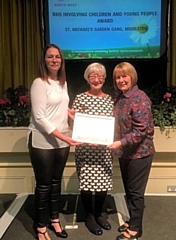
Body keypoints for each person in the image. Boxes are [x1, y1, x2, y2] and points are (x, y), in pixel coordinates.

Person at [27, 44, 80, 240]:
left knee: (56, 182)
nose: (54, 60)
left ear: (62, 60)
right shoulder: (39, 83)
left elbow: (57, 107)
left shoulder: (62, 83)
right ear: (44, 60)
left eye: (57, 57)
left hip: (61, 140)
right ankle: (41, 226)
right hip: (43, 141)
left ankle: (54, 219)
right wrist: (65, 137)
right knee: (44, 184)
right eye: (50, 57)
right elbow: (40, 117)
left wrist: (69, 112)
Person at [108, 62, 155, 240]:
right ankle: (132, 220)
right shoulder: (120, 98)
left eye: (124, 76)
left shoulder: (139, 98)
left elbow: (141, 130)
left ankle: (135, 229)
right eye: (118, 77)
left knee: (136, 192)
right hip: (126, 153)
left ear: (132, 76)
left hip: (140, 153)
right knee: (129, 189)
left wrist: (120, 142)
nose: (121, 80)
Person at [70, 62, 114, 236]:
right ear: (87, 79)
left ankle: (99, 213)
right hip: (86, 150)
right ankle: (89, 216)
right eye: (93, 76)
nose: (97, 79)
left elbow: (112, 124)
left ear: (104, 78)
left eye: (100, 76)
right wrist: (87, 139)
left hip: (103, 150)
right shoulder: (80, 98)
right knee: (88, 184)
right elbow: (74, 122)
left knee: (103, 183)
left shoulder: (109, 99)